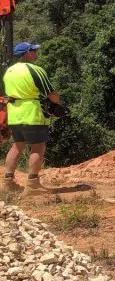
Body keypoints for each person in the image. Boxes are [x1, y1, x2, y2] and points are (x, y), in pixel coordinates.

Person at [3, 41, 63, 195]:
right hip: (32, 113)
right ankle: (33, 184)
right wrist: (58, 102)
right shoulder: (35, 70)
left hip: (14, 114)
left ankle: (7, 182)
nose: (36, 53)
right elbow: (51, 94)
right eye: (34, 51)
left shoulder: (9, 71)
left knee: (17, 146)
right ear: (27, 53)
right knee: (37, 147)